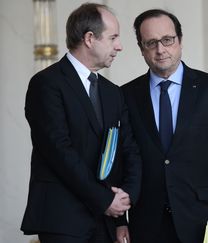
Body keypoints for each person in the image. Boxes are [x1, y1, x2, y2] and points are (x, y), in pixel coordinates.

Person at [20, 3, 141, 243]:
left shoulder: (113, 93)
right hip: (63, 219)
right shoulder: (46, 84)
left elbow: (128, 148)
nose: (119, 46)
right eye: (113, 37)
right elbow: (58, 151)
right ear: (89, 38)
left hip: (107, 222)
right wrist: (104, 200)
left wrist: (125, 202)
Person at [119, 9, 208, 243]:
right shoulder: (125, 95)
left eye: (167, 40)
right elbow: (121, 161)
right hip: (146, 222)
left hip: (201, 219)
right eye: (151, 42)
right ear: (141, 48)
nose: (160, 49)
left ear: (180, 41)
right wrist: (119, 221)